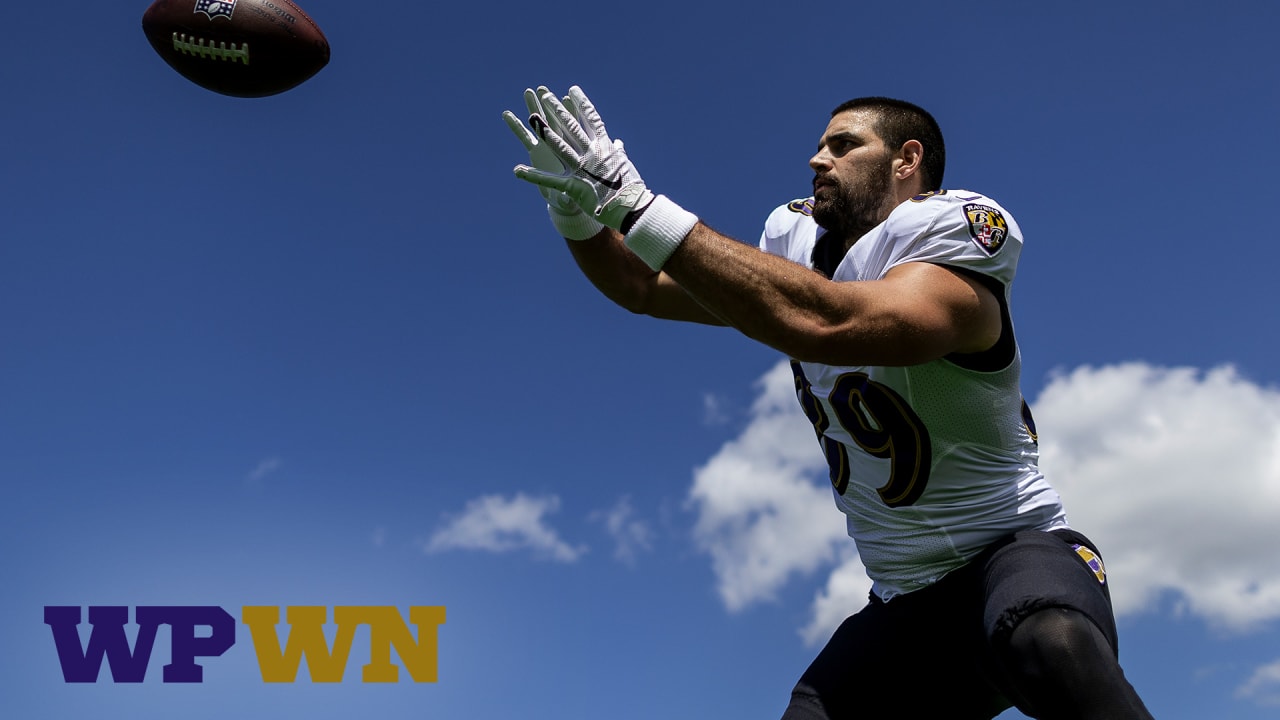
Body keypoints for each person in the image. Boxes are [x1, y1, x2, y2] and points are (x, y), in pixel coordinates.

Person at [504, 85, 1155, 720]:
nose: (819, 159)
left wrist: (640, 207)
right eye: (819, 147)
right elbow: (639, 285)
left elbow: (832, 324)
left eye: (844, 145)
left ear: (907, 160)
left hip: (1015, 550)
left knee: (1048, 642)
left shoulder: (950, 236)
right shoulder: (793, 242)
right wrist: (581, 212)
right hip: (904, 594)